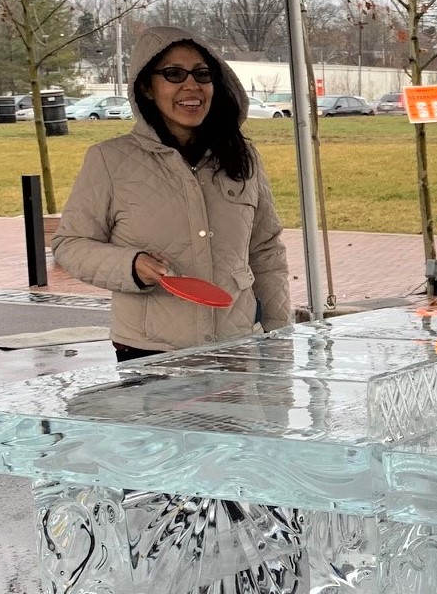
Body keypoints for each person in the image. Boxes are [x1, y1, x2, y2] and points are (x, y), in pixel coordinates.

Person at [54, 26, 291, 361]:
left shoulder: (243, 157)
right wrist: (130, 265)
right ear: (147, 88)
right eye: (174, 74)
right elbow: (70, 245)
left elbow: (266, 251)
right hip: (150, 352)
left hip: (238, 346)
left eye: (202, 74)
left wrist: (279, 337)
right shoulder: (109, 160)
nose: (191, 85)